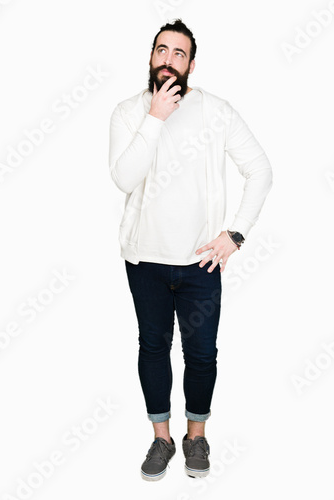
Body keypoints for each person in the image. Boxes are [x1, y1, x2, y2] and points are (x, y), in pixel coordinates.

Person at [109, 19, 273, 481]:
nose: (168, 59)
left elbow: (260, 169)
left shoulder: (215, 111)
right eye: (162, 50)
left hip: (202, 261)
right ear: (150, 57)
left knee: (202, 355)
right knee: (153, 348)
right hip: (145, 261)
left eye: (179, 53)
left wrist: (235, 234)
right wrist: (155, 118)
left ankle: (195, 436)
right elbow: (124, 178)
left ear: (191, 65)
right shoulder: (127, 112)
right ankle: (161, 439)